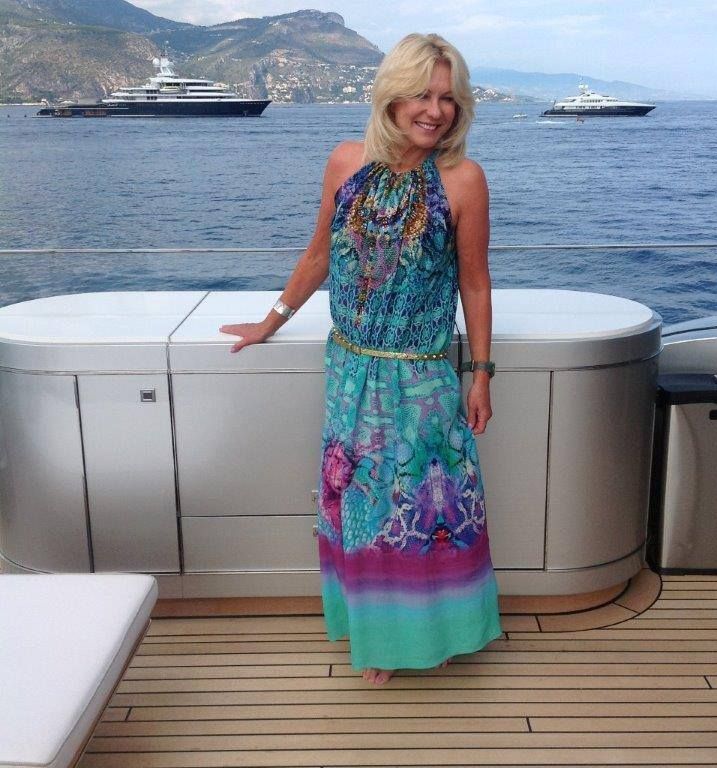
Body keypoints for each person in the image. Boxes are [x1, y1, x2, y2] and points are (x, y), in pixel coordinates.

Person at [220, 32, 502, 686]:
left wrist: (481, 373)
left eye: (448, 98)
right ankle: (380, 635)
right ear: (391, 96)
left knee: (426, 512)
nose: (435, 111)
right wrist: (270, 321)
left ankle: (437, 632)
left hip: (422, 375)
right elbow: (318, 255)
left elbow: (475, 282)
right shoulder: (346, 162)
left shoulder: (463, 179)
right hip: (350, 370)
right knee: (364, 508)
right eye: (421, 95)